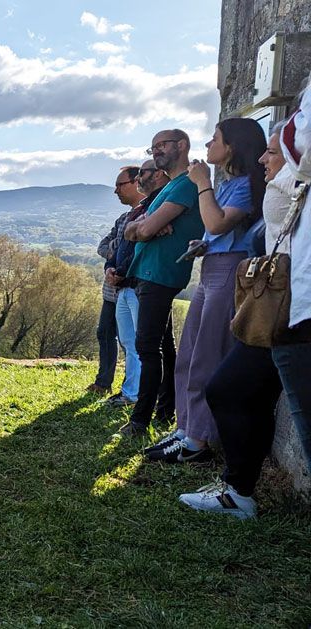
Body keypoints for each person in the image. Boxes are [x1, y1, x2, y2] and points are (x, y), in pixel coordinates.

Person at [178, 129, 307, 518]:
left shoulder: (288, 187)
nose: (264, 162)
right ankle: (238, 490)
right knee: (237, 390)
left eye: (273, 154)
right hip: (280, 305)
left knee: (234, 388)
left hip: (294, 308)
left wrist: (202, 183)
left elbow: (220, 224)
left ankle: (234, 486)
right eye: (265, 152)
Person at [145, 118, 266, 463]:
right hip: (212, 265)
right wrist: (206, 242)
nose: (207, 145)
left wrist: (201, 184)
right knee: (188, 355)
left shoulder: (241, 185)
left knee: (207, 356)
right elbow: (217, 229)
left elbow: (215, 220)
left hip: (229, 271)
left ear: (231, 147)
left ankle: (198, 441)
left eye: (214, 139)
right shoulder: (228, 184)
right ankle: (186, 428)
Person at [118, 130, 206, 437]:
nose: (156, 152)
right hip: (148, 273)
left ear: (181, 146)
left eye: (162, 145)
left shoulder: (184, 186)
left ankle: (139, 421)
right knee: (163, 346)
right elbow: (134, 229)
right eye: (152, 147)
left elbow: (142, 231)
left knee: (147, 346)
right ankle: (166, 410)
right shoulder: (170, 188)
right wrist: (142, 226)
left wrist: (144, 228)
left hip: (160, 275)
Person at [106, 161, 169, 407]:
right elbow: (121, 246)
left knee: (145, 346)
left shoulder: (158, 206)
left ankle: (146, 398)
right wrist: (112, 268)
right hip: (124, 286)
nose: (115, 190)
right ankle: (131, 392)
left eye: (143, 173)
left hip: (140, 285)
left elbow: (141, 242)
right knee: (129, 343)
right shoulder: (139, 210)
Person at [92, 167, 145, 395]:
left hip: (131, 287)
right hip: (111, 289)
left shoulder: (147, 213)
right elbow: (103, 247)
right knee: (105, 333)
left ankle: (131, 389)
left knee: (132, 342)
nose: (115, 191)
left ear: (136, 182)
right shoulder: (123, 218)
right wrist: (111, 264)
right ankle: (104, 382)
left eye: (120, 185)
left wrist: (118, 250)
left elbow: (129, 248)